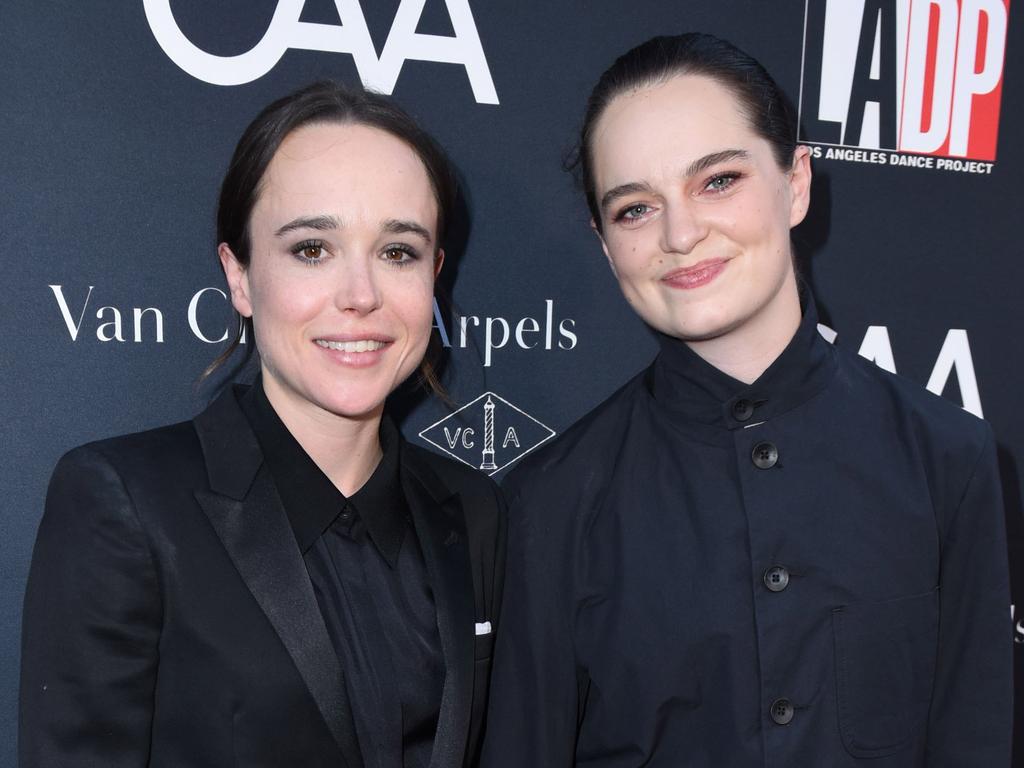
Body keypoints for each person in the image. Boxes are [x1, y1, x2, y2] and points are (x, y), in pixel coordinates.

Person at [481, 33, 1011, 767]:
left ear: (795, 184)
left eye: (718, 181)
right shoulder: (552, 502)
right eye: (635, 208)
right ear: (605, 245)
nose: (682, 232)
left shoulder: (948, 459)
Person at [20, 81, 504, 768]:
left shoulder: (473, 510)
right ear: (239, 275)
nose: (360, 296)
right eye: (312, 249)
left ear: (435, 276)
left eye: (398, 252)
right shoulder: (125, 502)